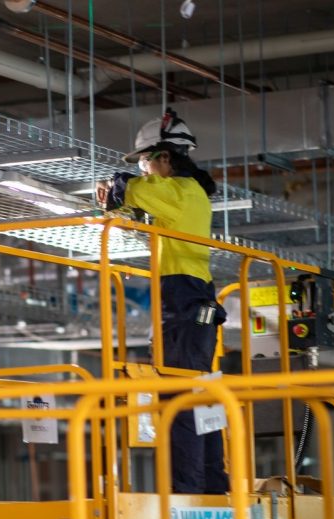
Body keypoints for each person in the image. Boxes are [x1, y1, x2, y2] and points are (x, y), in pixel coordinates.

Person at [98, 109, 228, 495]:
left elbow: (135, 190)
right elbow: (135, 206)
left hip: (184, 299)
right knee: (201, 396)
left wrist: (118, 187)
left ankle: (188, 493)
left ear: (166, 157)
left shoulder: (181, 191)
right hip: (192, 298)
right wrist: (117, 204)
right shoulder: (184, 197)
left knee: (180, 399)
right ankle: (212, 487)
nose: (143, 168)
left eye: (145, 160)